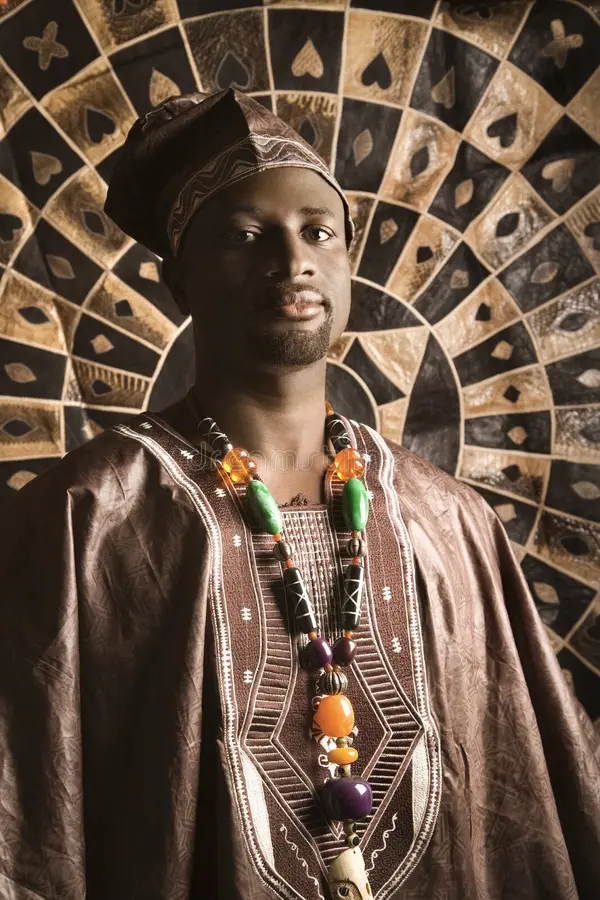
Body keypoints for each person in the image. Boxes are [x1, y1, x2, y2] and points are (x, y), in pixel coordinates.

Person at [0, 88, 598, 900]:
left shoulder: (452, 521)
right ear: (178, 280)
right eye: (245, 236)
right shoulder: (88, 515)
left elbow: (524, 802)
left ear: (347, 263)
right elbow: (31, 819)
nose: (293, 260)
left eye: (318, 232)